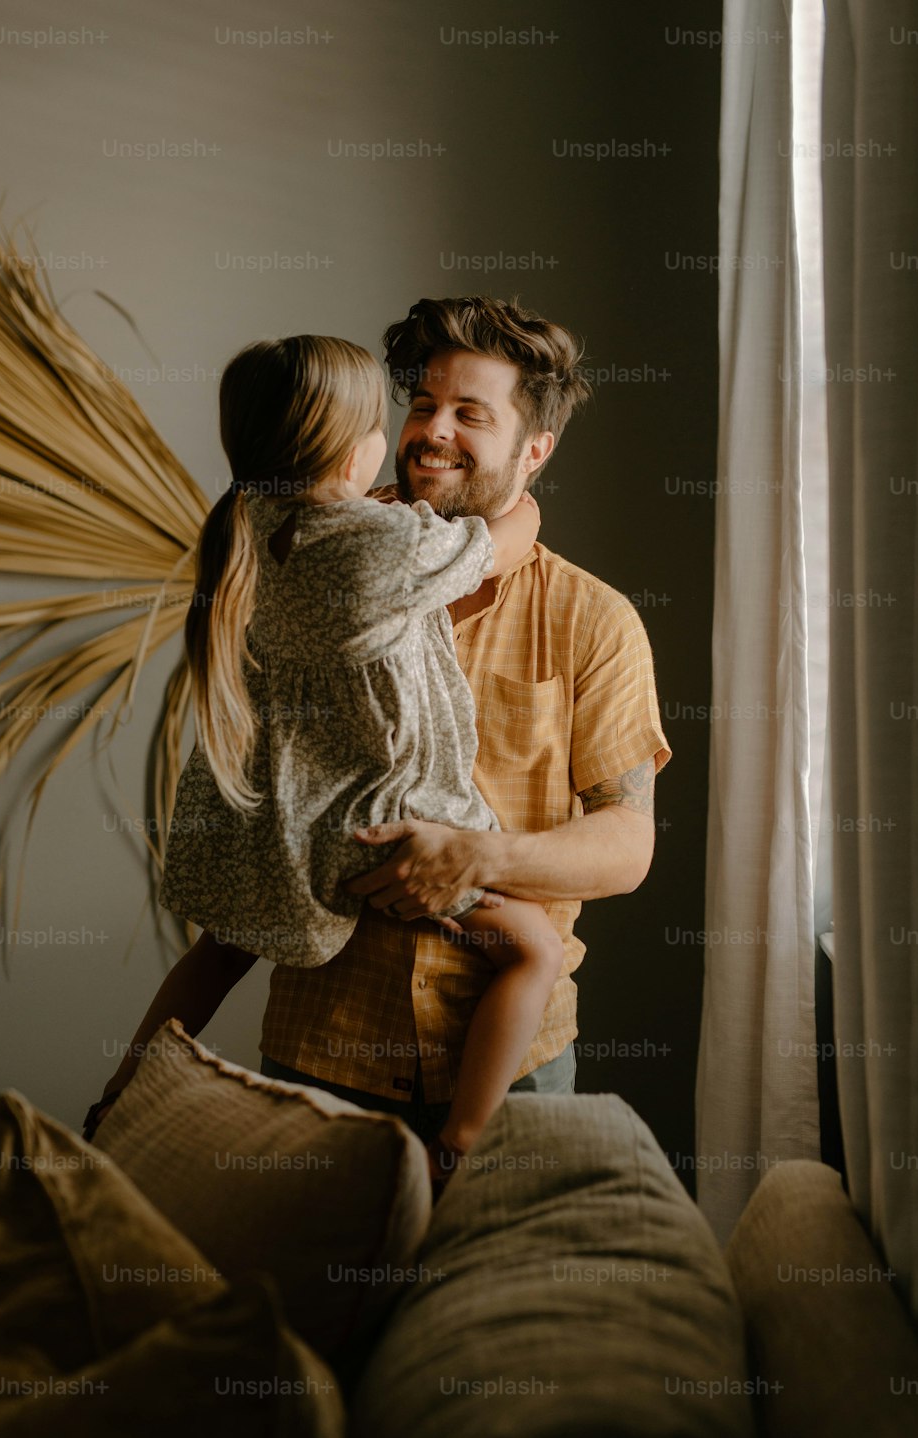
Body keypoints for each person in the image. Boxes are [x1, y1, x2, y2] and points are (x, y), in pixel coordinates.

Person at [87, 296, 671, 1169]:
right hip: (324, 1058)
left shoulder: (593, 621)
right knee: (320, 1302)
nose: (432, 431)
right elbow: (272, 808)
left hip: (518, 1071)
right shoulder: (324, 558)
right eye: (423, 405)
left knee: (495, 1306)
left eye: (470, 414)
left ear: (535, 449)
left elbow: (626, 847)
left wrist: (478, 857)